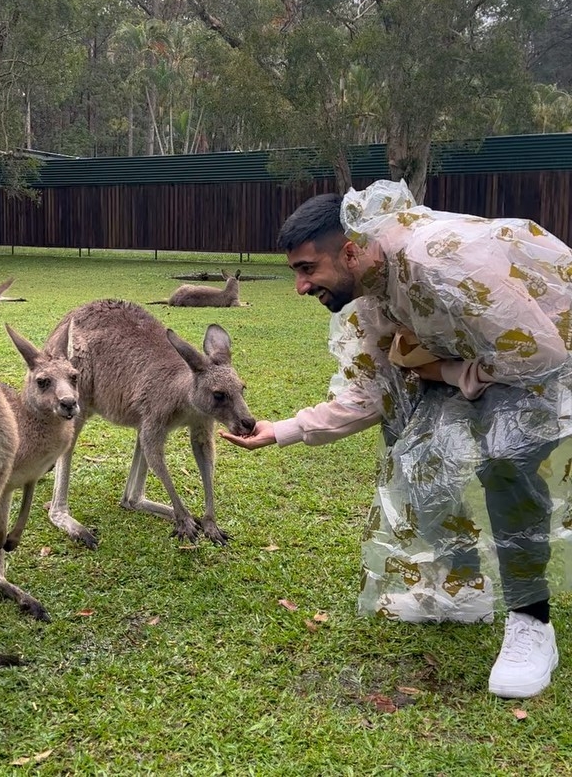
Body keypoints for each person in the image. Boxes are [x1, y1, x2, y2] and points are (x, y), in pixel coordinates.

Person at [222, 180, 572, 699]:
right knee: (412, 444)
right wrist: (286, 430)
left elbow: (539, 354)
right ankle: (464, 588)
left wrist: (447, 372)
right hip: (476, 362)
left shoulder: (440, 259)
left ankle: (531, 622)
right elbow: (369, 392)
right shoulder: (370, 295)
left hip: (545, 358)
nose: (300, 287)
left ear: (348, 251)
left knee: (506, 454)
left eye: (306, 269)